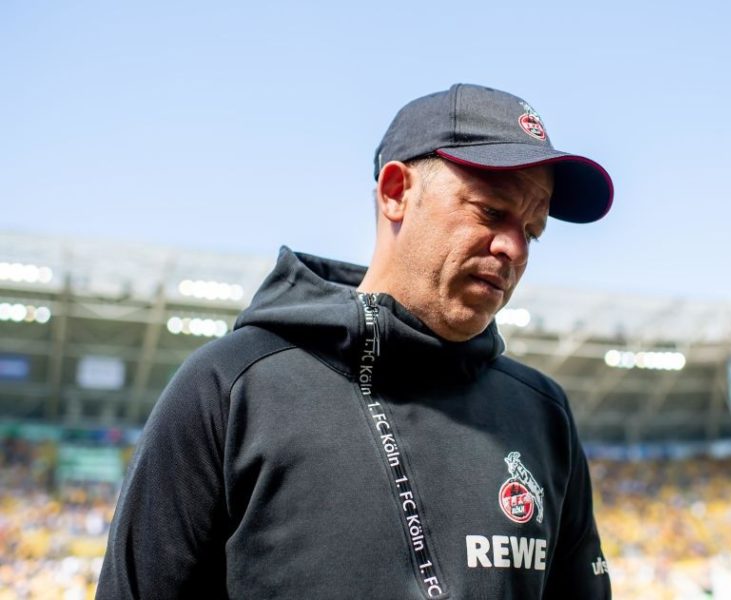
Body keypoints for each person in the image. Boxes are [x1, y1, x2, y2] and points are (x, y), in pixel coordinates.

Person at [96, 83, 614, 599]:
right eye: (490, 212)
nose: (514, 248)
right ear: (396, 193)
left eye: (534, 229)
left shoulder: (542, 414)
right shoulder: (232, 387)